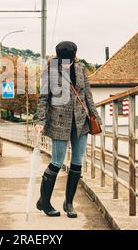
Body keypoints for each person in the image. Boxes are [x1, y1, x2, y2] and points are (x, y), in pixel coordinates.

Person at [35, 41, 102, 218]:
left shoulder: (81, 68)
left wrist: (96, 117)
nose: (66, 63)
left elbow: (87, 95)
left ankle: (69, 203)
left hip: (80, 121)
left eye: (68, 60)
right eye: (63, 60)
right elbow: (43, 98)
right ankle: (44, 201)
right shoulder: (49, 70)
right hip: (58, 121)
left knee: (77, 161)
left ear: (74, 57)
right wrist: (40, 120)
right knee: (57, 161)